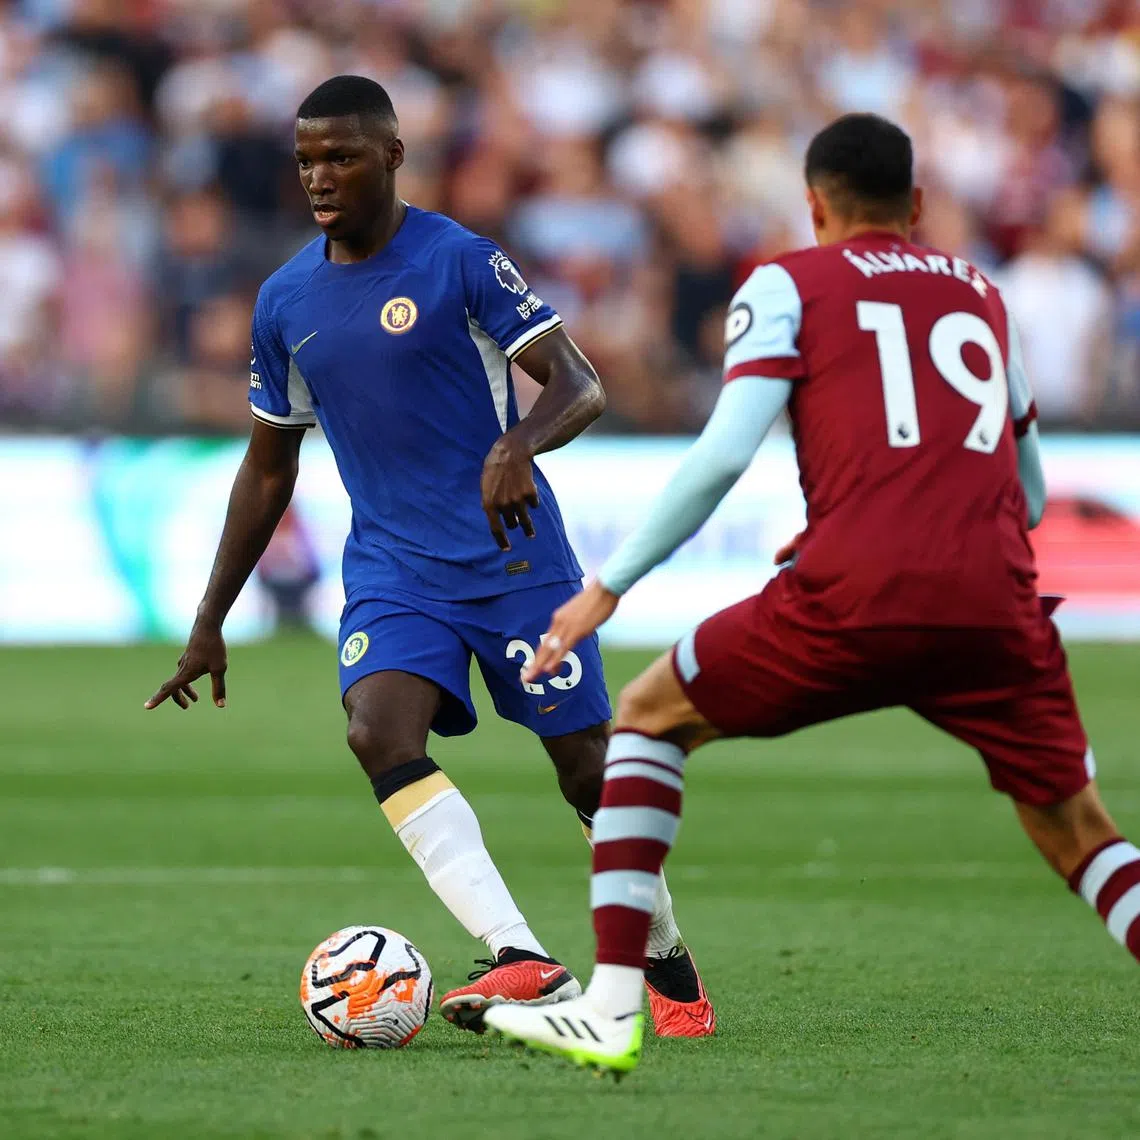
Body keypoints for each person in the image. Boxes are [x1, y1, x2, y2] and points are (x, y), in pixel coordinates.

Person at [484, 112, 1140, 1074]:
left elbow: (722, 456)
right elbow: (1031, 494)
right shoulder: (984, 297)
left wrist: (608, 587)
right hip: (994, 606)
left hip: (853, 591)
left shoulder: (787, 284)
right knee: (1081, 831)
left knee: (650, 716)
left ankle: (615, 1009)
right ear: (915, 206)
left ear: (814, 204)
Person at [144, 75, 714, 1037]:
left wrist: (519, 444)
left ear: (394, 155)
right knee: (377, 733)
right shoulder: (286, 300)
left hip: (515, 566)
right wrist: (208, 621)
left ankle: (663, 955)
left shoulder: (460, 261)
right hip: (392, 572)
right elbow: (266, 468)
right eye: (308, 160)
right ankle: (521, 957)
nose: (321, 177)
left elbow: (580, 384)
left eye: (343, 156)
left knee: (585, 771)